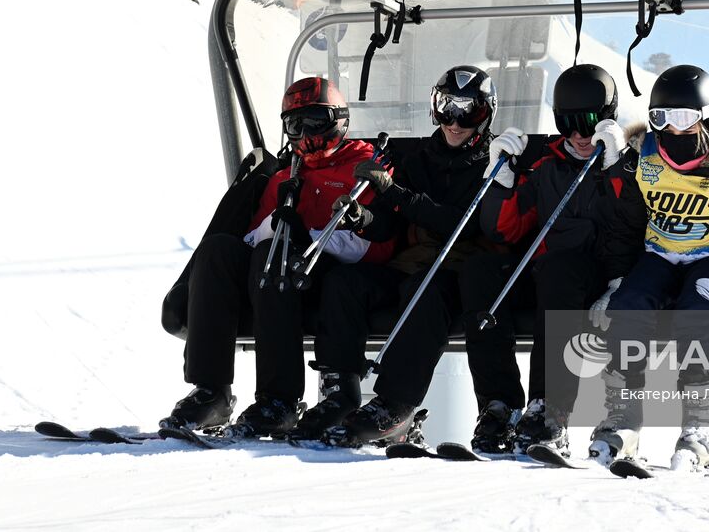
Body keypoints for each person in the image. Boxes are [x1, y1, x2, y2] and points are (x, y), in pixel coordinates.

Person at [161, 76, 389, 437]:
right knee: (219, 249)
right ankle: (211, 391)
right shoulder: (284, 175)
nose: (306, 135)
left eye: (315, 122)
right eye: (295, 125)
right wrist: (271, 225)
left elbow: (375, 246)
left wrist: (307, 236)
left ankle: (278, 398)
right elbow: (253, 237)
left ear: (338, 121)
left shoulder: (365, 168)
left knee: (275, 253)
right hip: (274, 275)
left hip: (331, 278)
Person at [592, 64, 709, 471]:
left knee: (698, 310)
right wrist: (616, 282)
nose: (673, 130)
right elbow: (626, 223)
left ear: (706, 119)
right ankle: (623, 418)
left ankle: (700, 426)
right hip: (660, 253)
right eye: (662, 119)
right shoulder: (647, 158)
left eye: (685, 119)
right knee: (630, 305)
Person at [315, 66, 497, 446]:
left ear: (486, 114)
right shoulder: (419, 159)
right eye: (446, 108)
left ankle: (396, 404)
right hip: (407, 264)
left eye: (469, 112)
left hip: (455, 273)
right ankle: (340, 392)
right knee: (345, 282)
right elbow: (389, 226)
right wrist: (361, 219)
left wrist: (394, 193)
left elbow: (459, 222)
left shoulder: (491, 163)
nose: (455, 122)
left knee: (423, 292)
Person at [466, 64, 633, 455]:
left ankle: (550, 409)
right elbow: (504, 230)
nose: (578, 135)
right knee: (482, 270)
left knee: (560, 268)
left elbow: (630, 226)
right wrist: (501, 182)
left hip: (595, 277)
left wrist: (616, 169)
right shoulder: (546, 168)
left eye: (589, 123)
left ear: (608, 117)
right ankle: (500, 404)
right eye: (567, 124)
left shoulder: (630, 166)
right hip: (547, 275)